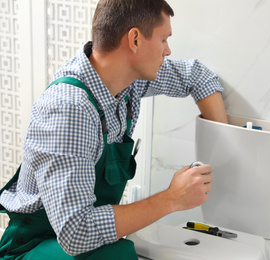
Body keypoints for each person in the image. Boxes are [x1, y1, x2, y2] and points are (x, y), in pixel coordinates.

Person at [0, 0, 228, 259]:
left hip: (75, 240)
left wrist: (224, 156)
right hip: (34, 245)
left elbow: (198, 77)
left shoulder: (128, 81)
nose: (168, 50)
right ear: (135, 40)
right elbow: (77, 233)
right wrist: (171, 199)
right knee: (119, 256)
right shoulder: (69, 110)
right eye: (163, 40)